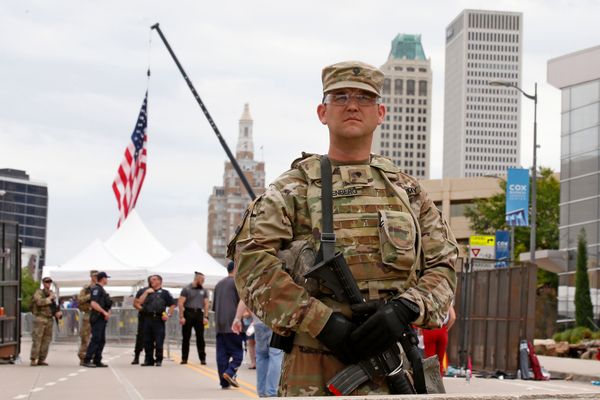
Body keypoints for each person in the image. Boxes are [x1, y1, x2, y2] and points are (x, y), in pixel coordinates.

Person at [228, 60, 458, 396]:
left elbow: (445, 265)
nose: (352, 105)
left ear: (381, 113)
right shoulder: (293, 189)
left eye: (364, 98)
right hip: (315, 367)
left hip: (394, 362)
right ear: (322, 112)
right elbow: (251, 264)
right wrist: (321, 322)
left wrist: (407, 308)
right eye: (341, 97)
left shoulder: (407, 192)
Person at [213, 261, 244, 389]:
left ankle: (224, 381)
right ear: (236, 268)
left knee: (222, 354)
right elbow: (243, 302)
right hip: (233, 323)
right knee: (238, 353)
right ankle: (230, 371)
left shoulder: (219, 284)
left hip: (219, 324)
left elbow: (214, 306)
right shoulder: (237, 283)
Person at [138, 274, 175, 367]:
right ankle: (148, 360)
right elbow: (139, 302)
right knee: (147, 340)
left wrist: (168, 314)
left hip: (158, 319)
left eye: (154, 280)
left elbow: (172, 305)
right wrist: (146, 293)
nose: (152, 281)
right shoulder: (147, 291)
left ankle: (159, 359)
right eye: (151, 280)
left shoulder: (165, 293)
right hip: (147, 318)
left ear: (159, 281)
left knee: (159, 340)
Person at [178, 271, 209, 365]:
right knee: (186, 337)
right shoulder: (186, 289)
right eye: (202, 280)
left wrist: (206, 317)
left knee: (200, 337)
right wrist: (181, 316)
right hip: (188, 313)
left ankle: (202, 359)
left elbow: (206, 304)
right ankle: (184, 358)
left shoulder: (204, 290)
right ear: (197, 279)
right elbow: (180, 303)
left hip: (199, 313)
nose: (203, 281)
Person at [82, 272, 112, 368]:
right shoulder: (96, 289)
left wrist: (107, 312)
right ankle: (87, 359)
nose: (107, 280)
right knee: (96, 339)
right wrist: (104, 312)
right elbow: (93, 303)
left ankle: (97, 360)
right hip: (97, 317)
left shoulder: (101, 290)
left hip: (102, 318)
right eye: (106, 278)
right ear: (103, 278)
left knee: (101, 340)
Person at [30, 277, 62, 366]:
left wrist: (57, 312)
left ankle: (41, 359)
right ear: (43, 283)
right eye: (46, 282)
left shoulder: (51, 293)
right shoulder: (39, 292)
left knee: (46, 340)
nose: (48, 284)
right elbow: (39, 302)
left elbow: (54, 306)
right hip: (40, 318)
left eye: (49, 282)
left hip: (49, 319)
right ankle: (33, 359)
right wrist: (50, 298)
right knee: (37, 339)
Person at [423, 303, 456, 376]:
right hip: (442, 329)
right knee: (440, 361)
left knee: (430, 360)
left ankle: (430, 384)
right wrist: (446, 329)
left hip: (429, 329)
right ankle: (439, 383)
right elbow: (453, 317)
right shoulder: (447, 297)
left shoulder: (427, 295)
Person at [77, 269, 98, 365]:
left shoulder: (100, 288)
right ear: (91, 277)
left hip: (98, 314)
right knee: (85, 337)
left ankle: (94, 356)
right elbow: (80, 300)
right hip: (88, 314)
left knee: (96, 337)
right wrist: (90, 296)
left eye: (97, 276)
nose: (96, 277)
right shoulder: (86, 289)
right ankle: (83, 357)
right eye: (94, 276)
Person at [131, 276, 152, 365]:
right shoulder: (142, 291)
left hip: (155, 318)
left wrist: (165, 315)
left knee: (152, 338)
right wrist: (143, 310)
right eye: (153, 279)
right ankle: (136, 357)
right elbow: (135, 303)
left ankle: (149, 358)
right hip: (144, 317)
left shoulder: (160, 292)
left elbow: (164, 306)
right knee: (140, 337)